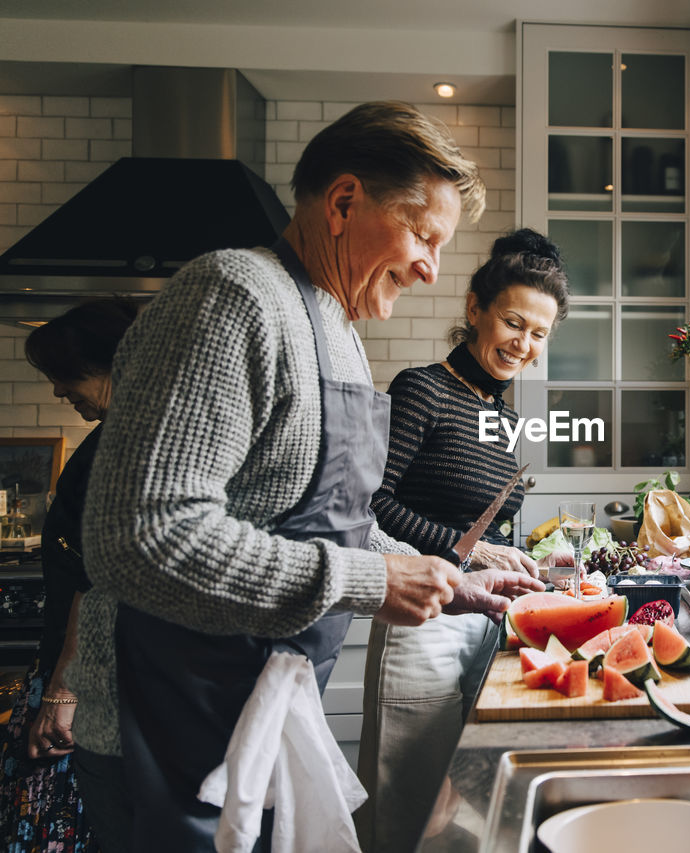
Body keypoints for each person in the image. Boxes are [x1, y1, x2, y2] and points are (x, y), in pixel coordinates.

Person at [64, 101, 545, 852]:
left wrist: (450, 575)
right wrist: (369, 582)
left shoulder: (337, 333)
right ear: (345, 201)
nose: (431, 267)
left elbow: (328, 522)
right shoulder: (233, 295)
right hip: (163, 724)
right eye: (423, 234)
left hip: (258, 712)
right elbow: (141, 535)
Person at [358, 228, 569, 852]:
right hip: (421, 617)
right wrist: (470, 550)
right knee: (407, 801)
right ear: (475, 309)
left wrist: (535, 556)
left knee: (465, 804)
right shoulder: (420, 389)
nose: (523, 344)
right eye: (513, 322)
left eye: (539, 334)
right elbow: (373, 506)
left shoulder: (505, 417)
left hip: (487, 620)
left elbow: (494, 528)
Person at [0, 299, 138, 853]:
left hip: (86, 682)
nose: (59, 391)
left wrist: (62, 693)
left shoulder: (121, 445)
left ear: (112, 364)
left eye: (65, 376)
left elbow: (96, 579)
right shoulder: (121, 437)